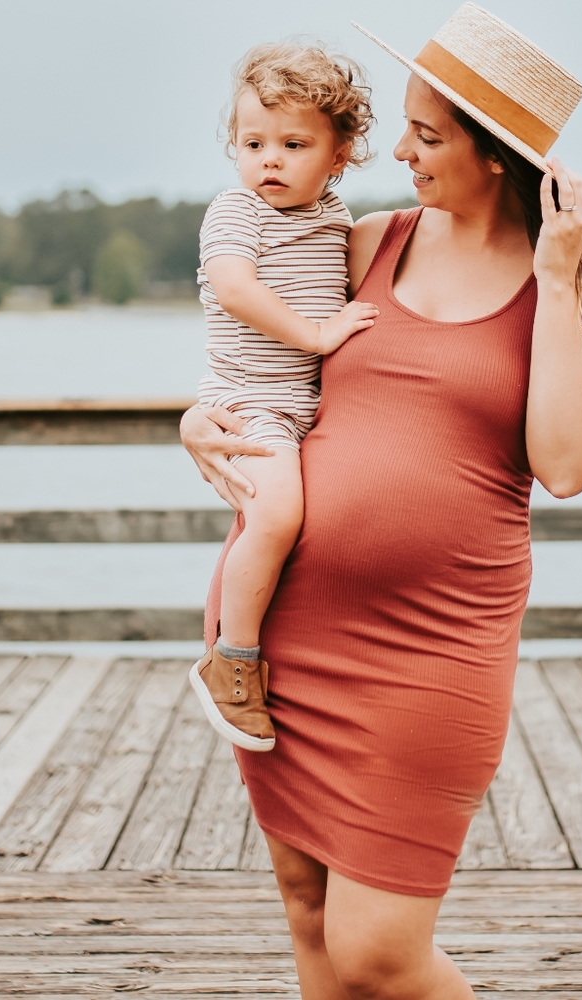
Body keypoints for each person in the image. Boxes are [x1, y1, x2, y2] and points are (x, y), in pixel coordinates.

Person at [181, 5, 582, 997]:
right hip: (283, 639)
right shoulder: (367, 243)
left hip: (434, 648)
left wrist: (555, 281)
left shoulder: (578, 266)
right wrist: (196, 420)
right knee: (312, 927)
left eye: (427, 135)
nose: (398, 150)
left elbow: (565, 461)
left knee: (380, 954)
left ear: (493, 155)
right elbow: (258, 356)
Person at [188, 42, 380, 751]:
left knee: (306, 524)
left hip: (305, 408)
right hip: (251, 401)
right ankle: (233, 663)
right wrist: (318, 336)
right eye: (252, 142)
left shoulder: (335, 219)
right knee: (274, 519)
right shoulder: (237, 211)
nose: (268, 159)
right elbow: (235, 289)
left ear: (339, 156)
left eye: (293, 144)